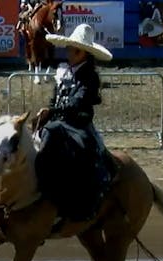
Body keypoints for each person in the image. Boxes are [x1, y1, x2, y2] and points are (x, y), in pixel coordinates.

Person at [34, 23, 115, 224]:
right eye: (69, 48)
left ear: (85, 54)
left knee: (51, 134)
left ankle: (52, 194)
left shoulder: (90, 77)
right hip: (59, 122)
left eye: (75, 49)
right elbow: (56, 98)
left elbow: (78, 101)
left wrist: (52, 111)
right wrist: (48, 110)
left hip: (78, 125)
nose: (70, 52)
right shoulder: (63, 71)